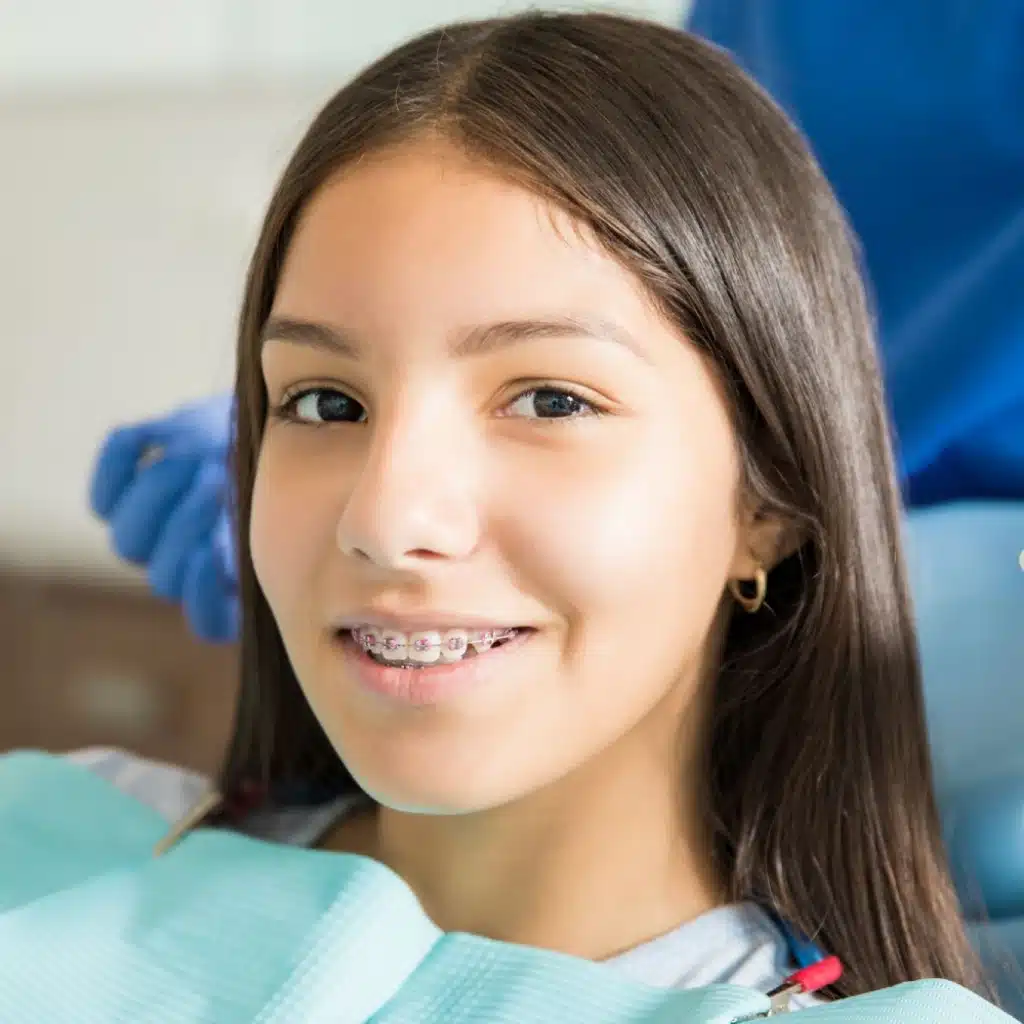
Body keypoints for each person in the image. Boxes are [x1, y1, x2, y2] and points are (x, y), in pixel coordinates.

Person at [72, 11, 992, 1006]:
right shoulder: (50, 841)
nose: (385, 517)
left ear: (767, 504)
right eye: (324, 401)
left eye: (551, 399)